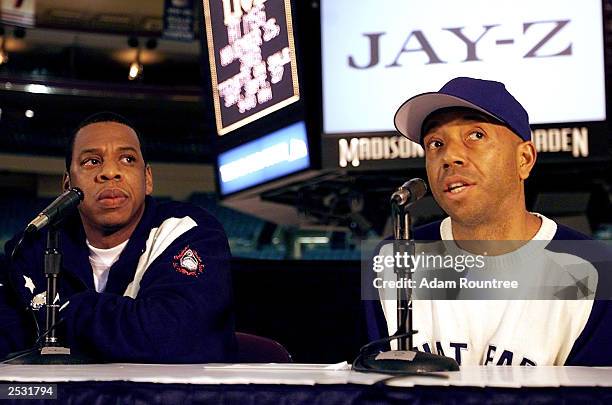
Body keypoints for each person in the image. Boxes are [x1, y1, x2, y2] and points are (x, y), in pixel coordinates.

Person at [368, 77, 612, 366]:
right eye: (435, 143)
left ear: (524, 159)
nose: (450, 156)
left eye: (476, 136)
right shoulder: (393, 260)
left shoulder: (593, 270)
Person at [0, 112, 236, 363]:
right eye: (92, 161)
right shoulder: (33, 247)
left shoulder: (190, 231)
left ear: (147, 179)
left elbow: (168, 335)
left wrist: (65, 311)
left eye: (127, 159)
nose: (110, 172)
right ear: (68, 185)